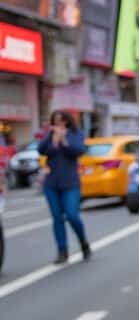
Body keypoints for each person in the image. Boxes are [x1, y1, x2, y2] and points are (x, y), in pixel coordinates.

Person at [38, 110, 90, 264]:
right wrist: (54, 140)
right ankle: (62, 250)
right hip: (52, 183)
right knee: (57, 218)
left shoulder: (75, 133)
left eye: (61, 121)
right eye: (55, 121)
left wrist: (64, 141)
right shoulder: (50, 135)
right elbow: (41, 150)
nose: (58, 124)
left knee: (72, 214)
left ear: (67, 121)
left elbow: (79, 150)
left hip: (70, 182)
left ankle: (83, 242)